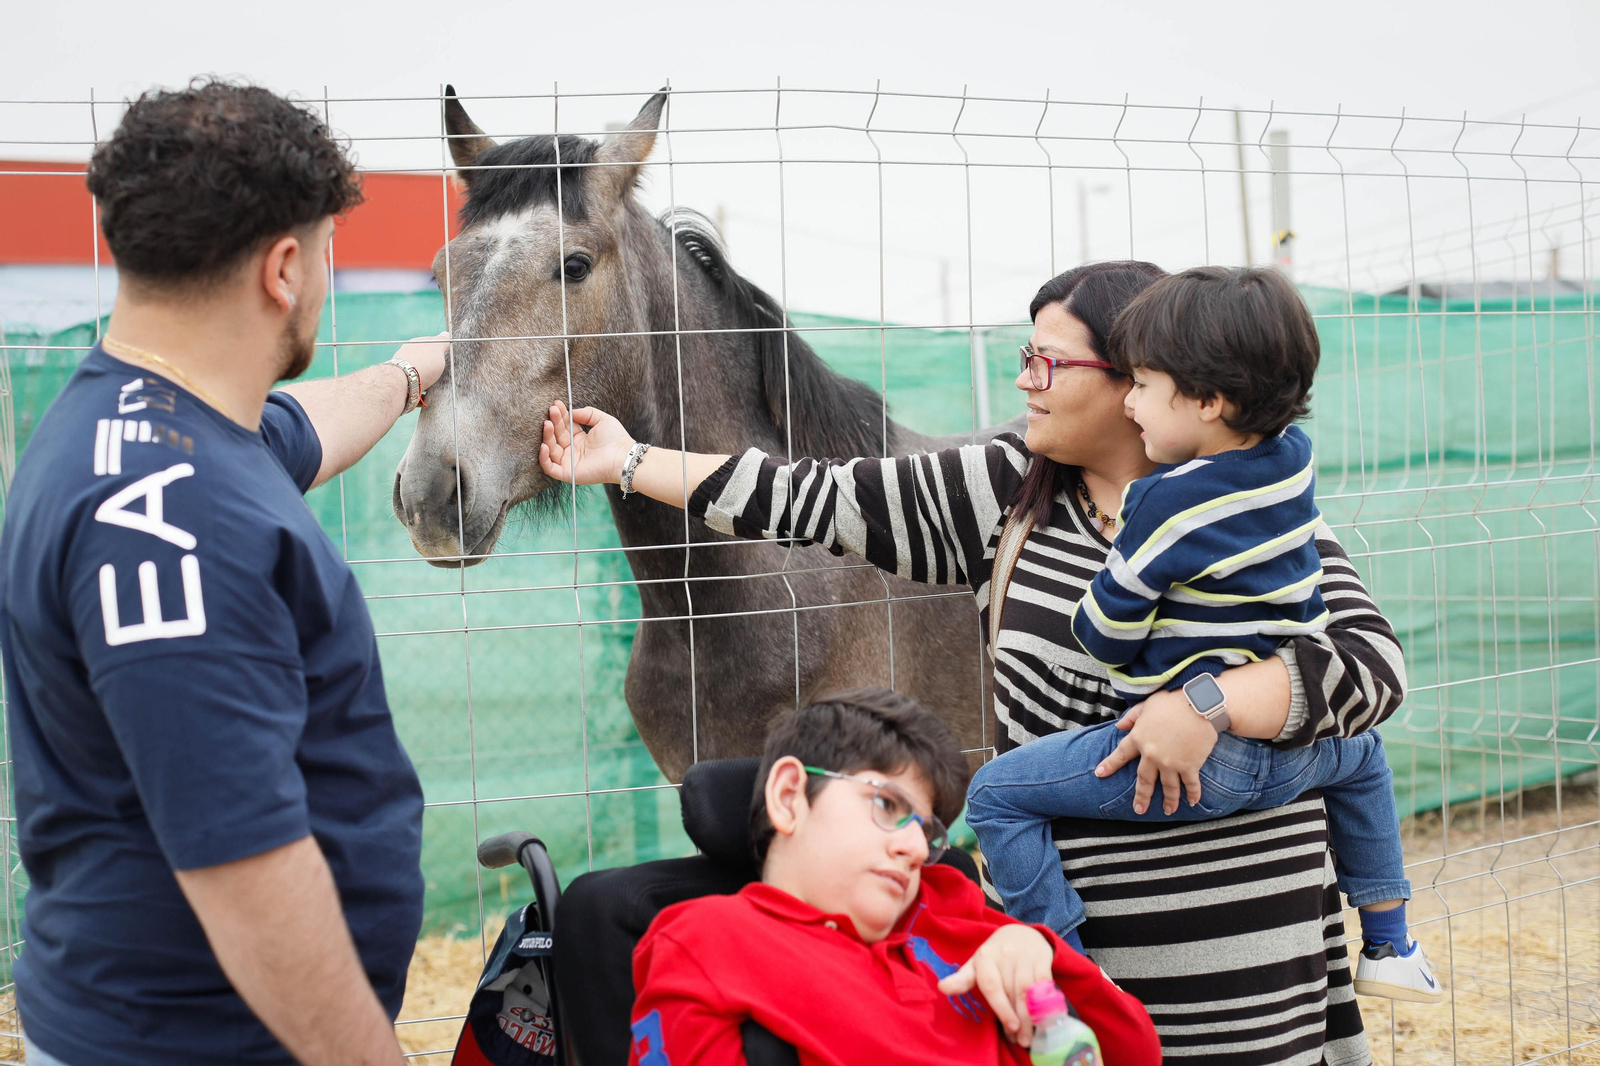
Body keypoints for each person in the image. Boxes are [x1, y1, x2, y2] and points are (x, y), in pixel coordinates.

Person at [540, 259, 1404, 1063]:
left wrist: (1207, 706)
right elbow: (808, 496)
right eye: (1023, 357)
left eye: (1048, 363)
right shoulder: (1005, 495)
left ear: (1136, 381)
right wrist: (629, 461)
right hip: (1079, 964)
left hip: (1270, 960)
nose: (1025, 382)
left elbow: (1371, 669)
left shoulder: (1253, 504)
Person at [0, 80, 449, 1066]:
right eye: (327, 250)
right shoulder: (173, 521)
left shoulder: (143, 422)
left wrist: (415, 373)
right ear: (285, 267)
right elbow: (245, 866)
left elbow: (287, 435)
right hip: (204, 1043)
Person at [964, 266, 1442, 1003]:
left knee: (996, 794)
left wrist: (1119, 607)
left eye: (1145, 385)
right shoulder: (1292, 467)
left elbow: (1104, 632)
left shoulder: (1162, 505)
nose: (1130, 400)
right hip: (1290, 755)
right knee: (1365, 755)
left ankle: (1068, 974)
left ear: (1210, 400)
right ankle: (1389, 940)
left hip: (1194, 764)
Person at [627, 689, 1163, 1065]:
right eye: (885, 804)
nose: (913, 847)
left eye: (926, 830)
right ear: (791, 797)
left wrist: (1039, 950)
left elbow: (1135, 1052)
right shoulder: (706, 941)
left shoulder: (960, 919)